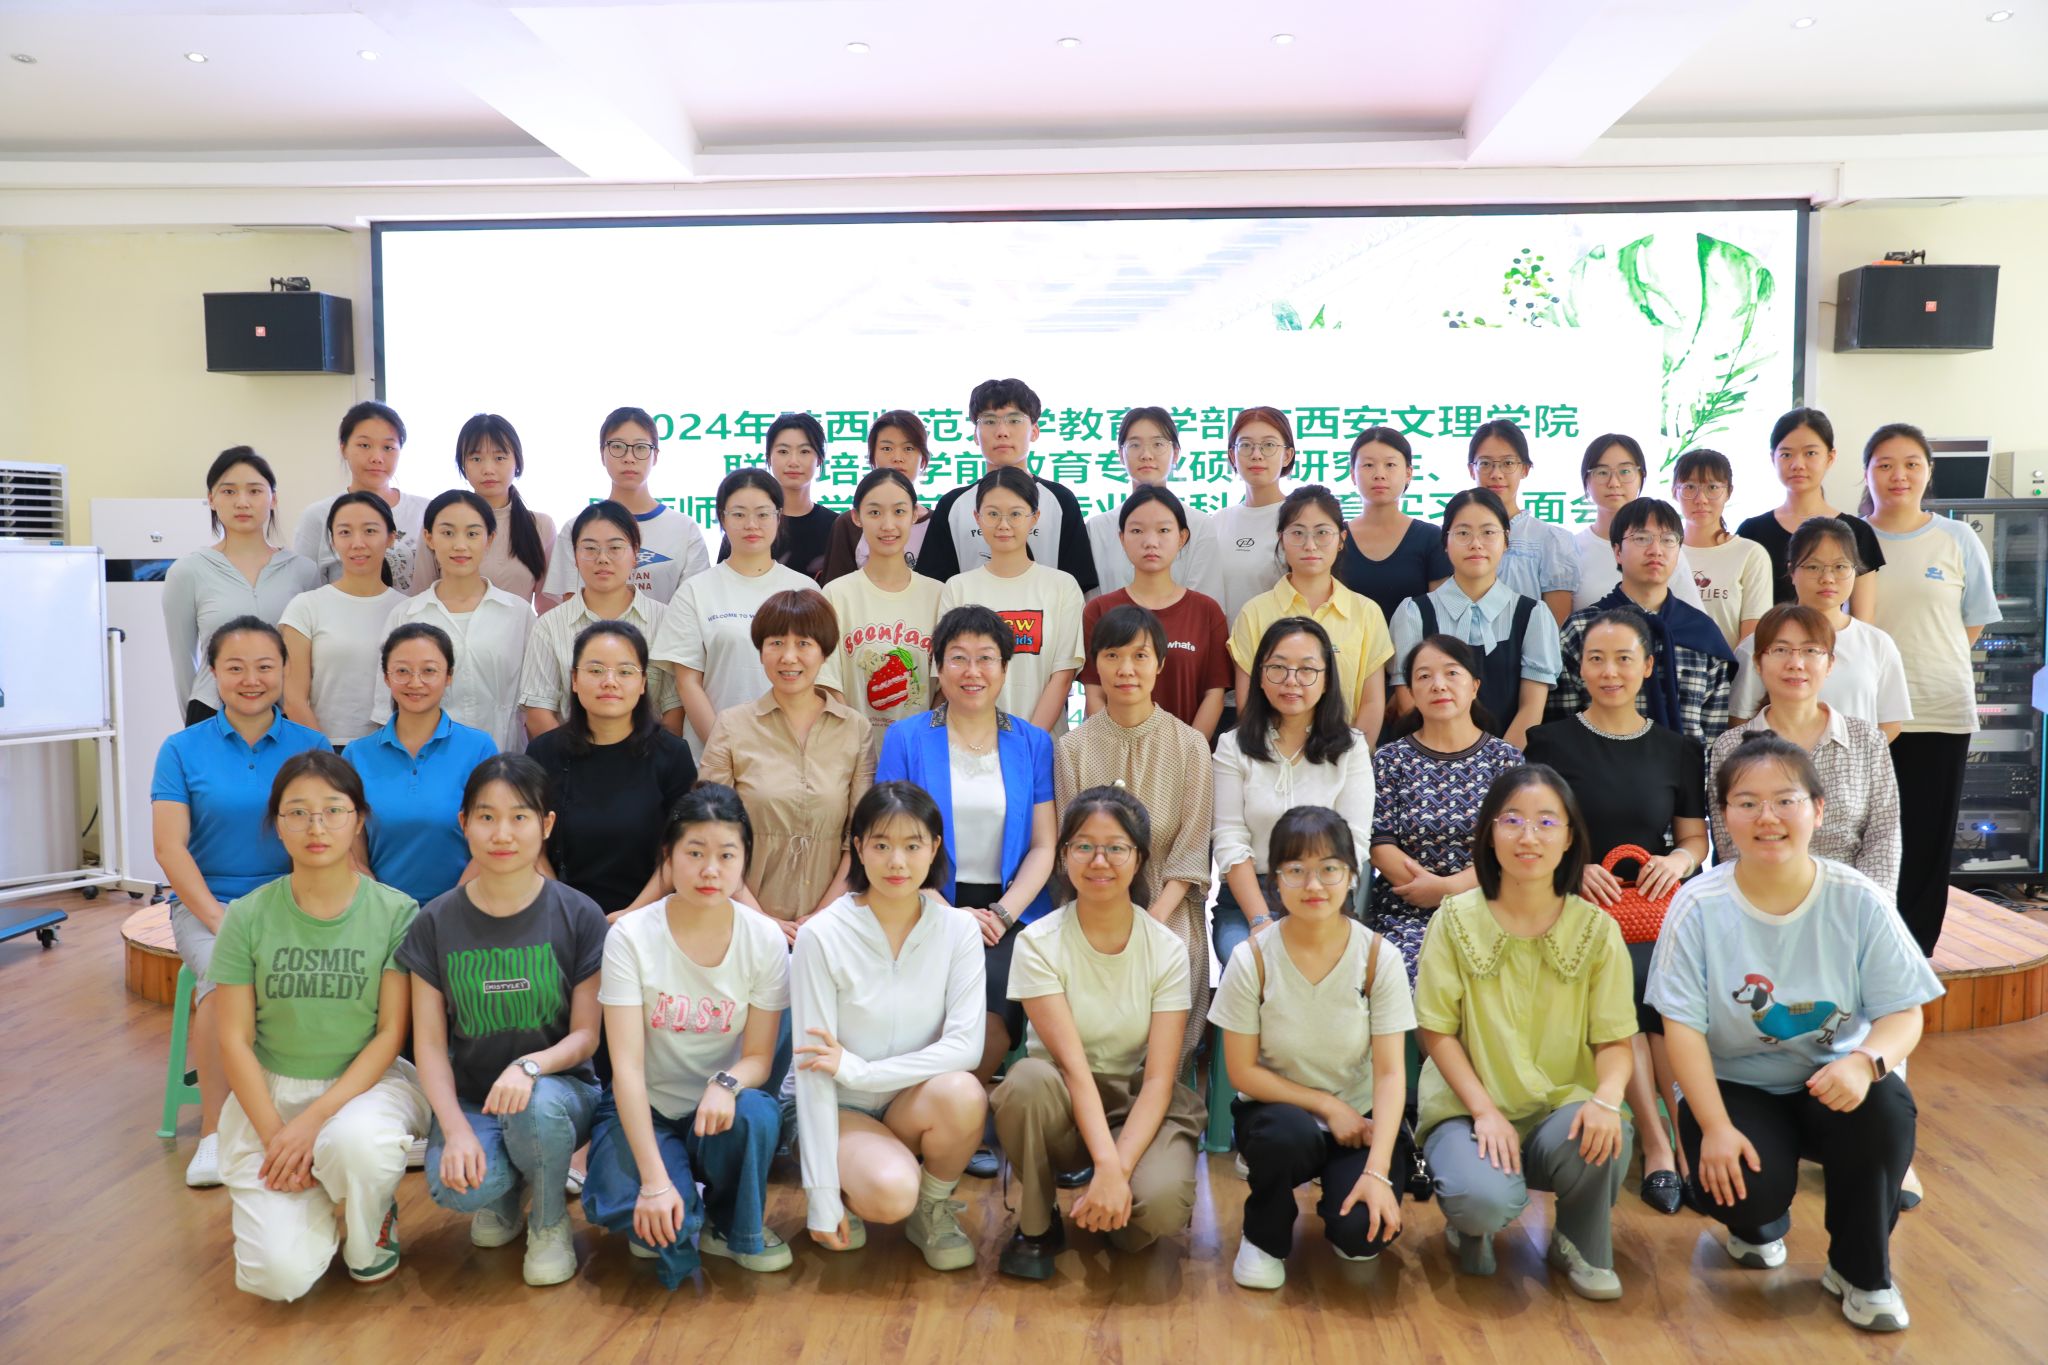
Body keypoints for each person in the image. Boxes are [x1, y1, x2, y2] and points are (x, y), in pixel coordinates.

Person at [1648, 734, 1944, 1334]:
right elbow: (1681, 1030)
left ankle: (1861, 1273)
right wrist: (1715, 1128)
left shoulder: (1858, 899)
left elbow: (1905, 1014)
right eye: (1747, 803)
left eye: (1785, 800)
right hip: (1735, 1086)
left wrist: (1865, 1062)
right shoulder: (1697, 906)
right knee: (1743, 1190)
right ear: (1724, 816)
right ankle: (1756, 1223)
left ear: (1818, 810)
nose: (1767, 818)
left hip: (1832, 1078)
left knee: (1885, 1110)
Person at [208, 751, 429, 1300]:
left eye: (333, 810)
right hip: (270, 1094)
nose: (316, 827)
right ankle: (316, 1198)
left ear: (359, 819)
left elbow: (390, 1032)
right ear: (276, 823)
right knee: (277, 1278)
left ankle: (371, 1222)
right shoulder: (246, 915)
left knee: (355, 1145)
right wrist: (276, 1136)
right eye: (298, 812)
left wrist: (314, 1121)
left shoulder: (398, 911)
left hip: (367, 1087)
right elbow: (233, 1039)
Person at [1414, 766, 1637, 1300]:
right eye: (1511, 820)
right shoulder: (1454, 919)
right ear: (1490, 833)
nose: (1528, 836)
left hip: (1561, 1109)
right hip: (1469, 1110)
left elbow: (1614, 1041)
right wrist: (1484, 1111)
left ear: (1570, 837)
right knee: (1482, 1200)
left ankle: (1578, 1238)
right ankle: (1469, 1225)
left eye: (1546, 822)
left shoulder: (1598, 929)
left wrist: (1607, 1098)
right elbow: (1435, 1032)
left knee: (1607, 1132)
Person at [1525, 609, 1708, 1215]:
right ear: (1579, 669)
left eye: (1624, 659)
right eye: (1596, 659)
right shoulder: (1547, 744)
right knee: (1624, 988)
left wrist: (1677, 862)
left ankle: (1686, 1143)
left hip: (1652, 910)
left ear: (1648, 667)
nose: (1610, 672)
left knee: (1665, 995)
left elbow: (1694, 839)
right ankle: (1659, 1146)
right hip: (1574, 908)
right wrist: (1573, 869)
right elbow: (1534, 831)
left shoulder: (1678, 750)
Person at [398, 754, 607, 1286]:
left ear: (546, 825)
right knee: (460, 1186)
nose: (503, 834)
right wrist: (454, 1129)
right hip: (476, 1099)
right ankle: (508, 1194)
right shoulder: (434, 921)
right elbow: (429, 1045)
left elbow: (586, 1036)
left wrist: (530, 1066)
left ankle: (549, 1221)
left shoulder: (580, 914)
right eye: (486, 817)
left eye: (520, 817)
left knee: (534, 1107)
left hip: (559, 1093)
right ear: (464, 823)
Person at [582, 785, 793, 1287]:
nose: (710, 870)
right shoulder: (630, 936)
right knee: (655, 1220)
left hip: (720, 1111)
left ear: (744, 862)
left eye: (726, 855)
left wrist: (725, 1083)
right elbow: (626, 1068)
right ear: (668, 856)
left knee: (756, 1110)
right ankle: (673, 1204)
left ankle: (727, 1222)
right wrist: (654, 1182)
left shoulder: (764, 937)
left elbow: (759, 1058)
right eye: (694, 853)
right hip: (646, 1107)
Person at [991, 788, 1202, 1280]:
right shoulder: (1038, 942)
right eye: (1083, 846)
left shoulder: (1167, 949)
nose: (1099, 860)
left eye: (1116, 847)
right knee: (1025, 1082)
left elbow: (1159, 1080)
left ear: (1139, 858)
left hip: (1135, 1100)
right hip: (1062, 1098)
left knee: (1156, 1211)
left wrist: (1116, 1170)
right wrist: (1110, 1167)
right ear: (1064, 856)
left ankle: (1110, 1206)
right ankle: (1037, 1224)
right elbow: (1073, 1068)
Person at [151, 618, 331, 1189]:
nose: (251, 679)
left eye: (264, 667)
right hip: (211, 902)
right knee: (222, 980)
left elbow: (327, 835)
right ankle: (214, 1133)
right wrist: (217, 917)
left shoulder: (312, 746)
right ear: (213, 673)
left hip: (295, 898)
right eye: (235, 667)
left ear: (284, 671)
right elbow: (169, 847)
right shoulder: (181, 749)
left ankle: (314, 1113)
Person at [1214, 807, 1414, 1290]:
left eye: (1329, 868)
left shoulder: (1378, 957)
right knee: (1285, 1137)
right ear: (1275, 881)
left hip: (1361, 1121)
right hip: (1278, 1116)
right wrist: (1327, 1106)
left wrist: (1378, 1172)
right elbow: (1242, 1072)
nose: (1313, 885)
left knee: (1362, 1237)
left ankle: (1344, 1201)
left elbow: (1391, 1075)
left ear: (1352, 875)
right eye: (1295, 870)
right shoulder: (1252, 957)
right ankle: (1263, 1236)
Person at [791, 782, 988, 1270]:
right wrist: (821, 1196)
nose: (897, 862)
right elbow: (814, 1068)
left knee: (964, 1093)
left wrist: (863, 1071)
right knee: (890, 1194)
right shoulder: (821, 935)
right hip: (841, 1107)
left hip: (910, 1101)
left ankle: (932, 1208)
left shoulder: (959, 930)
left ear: (934, 848)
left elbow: (966, 1048)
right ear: (858, 848)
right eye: (881, 845)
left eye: (912, 845)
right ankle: (848, 1186)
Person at [874, 605, 1058, 1107]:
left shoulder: (1033, 743)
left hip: (1009, 911)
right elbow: (888, 838)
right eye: (958, 657)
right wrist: (948, 913)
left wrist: (1002, 914)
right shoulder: (907, 737)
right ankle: (918, 1111)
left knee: (993, 1002)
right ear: (938, 666)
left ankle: (953, 1111)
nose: (972, 671)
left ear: (1005, 668)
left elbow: (1044, 845)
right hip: (921, 900)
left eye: (985, 658)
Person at [1055, 605, 1216, 1072]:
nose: (1126, 669)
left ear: (1160, 664)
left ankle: (1160, 1086)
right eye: (1112, 655)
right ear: (1096, 665)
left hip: (1168, 905)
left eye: (1140, 656)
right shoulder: (1072, 748)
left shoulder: (1190, 745)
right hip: (1090, 903)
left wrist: (1150, 920)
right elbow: (1071, 851)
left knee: (1171, 956)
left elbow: (1190, 851)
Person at [1864, 422, 2002, 956]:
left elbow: (1973, 621)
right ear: (1867, 473)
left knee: (1927, 835)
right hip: (1867, 714)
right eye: (1884, 464)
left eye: (1911, 464)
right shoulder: (1852, 536)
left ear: (1929, 472)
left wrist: (1930, 660)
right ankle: (1866, 945)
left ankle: (1915, 952)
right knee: (1867, 834)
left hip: (1939, 710)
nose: (1898, 475)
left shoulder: (1957, 538)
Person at [698, 589, 876, 941]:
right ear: (761, 650)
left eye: (804, 643)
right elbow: (709, 831)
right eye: (776, 643)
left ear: (824, 652)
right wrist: (760, 920)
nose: (788, 657)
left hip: (832, 926)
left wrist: (822, 917)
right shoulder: (732, 725)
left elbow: (860, 838)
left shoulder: (855, 728)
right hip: (741, 922)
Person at [1212, 617, 1375, 968]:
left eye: (1307, 669)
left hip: (1325, 898)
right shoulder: (1232, 746)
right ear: (1260, 676)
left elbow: (1355, 841)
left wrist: (1312, 905)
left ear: (1326, 679)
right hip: (1248, 902)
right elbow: (1229, 838)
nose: (1291, 680)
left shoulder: (1351, 747)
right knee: (1250, 967)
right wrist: (1260, 921)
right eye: (1278, 667)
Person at [1709, 606, 1901, 898]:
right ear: (1758, 662)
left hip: (1851, 903)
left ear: (1830, 663)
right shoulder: (1731, 747)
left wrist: (1867, 910)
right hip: (1762, 904)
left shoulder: (1867, 740)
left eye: (1811, 650)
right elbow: (1729, 846)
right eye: (1780, 650)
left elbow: (1884, 839)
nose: (1796, 663)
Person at [1369, 636, 1523, 980]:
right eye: (1424, 676)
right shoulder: (1391, 759)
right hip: (1407, 911)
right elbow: (1380, 845)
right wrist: (1424, 890)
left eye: (1452, 673)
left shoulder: (1505, 760)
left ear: (1474, 686)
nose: (1438, 685)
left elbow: (1513, 850)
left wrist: (1447, 891)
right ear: (1411, 691)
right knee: (1412, 975)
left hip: (1490, 906)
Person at [526, 621, 698, 916]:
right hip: (561, 914)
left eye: (625, 671)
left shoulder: (672, 755)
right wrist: (566, 908)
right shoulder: (543, 753)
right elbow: (530, 843)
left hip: (647, 918)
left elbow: (681, 848)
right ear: (575, 680)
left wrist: (632, 915)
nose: (609, 681)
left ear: (643, 683)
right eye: (595, 670)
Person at [651, 468, 817, 758]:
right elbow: (688, 683)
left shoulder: (806, 590)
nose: (751, 524)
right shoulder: (695, 591)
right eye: (739, 514)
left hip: (792, 757)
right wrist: (726, 752)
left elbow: (819, 679)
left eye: (763, 514)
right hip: (713, 758)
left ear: (779, 517)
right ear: (722, 518)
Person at [1548, 498, 1737, 747]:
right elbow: (1562, 726)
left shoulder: (1703, 633)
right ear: (1617, 551)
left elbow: (1713, 737)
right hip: (1595, 767)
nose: (1656, 550)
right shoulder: (1583, 629)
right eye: (1641, 538)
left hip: (1687, 771)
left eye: (1668, 540)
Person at [1387, 488, 1561, 749]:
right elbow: (1408, 703)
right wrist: (1449, 763)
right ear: (1445, 542)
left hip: (1511, 763)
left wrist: (1496, 764)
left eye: (1488, 532)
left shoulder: (1533, 615)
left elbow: (1531, 709)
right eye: (1463, 533)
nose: (1476, 544)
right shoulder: (1413, 612)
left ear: (1506, 540)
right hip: (1430, 762)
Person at [343, 623, 499, 908]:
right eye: (402, 671)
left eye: (429, 671)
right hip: (379, 911)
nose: (415, 682)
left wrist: (449, 909)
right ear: (387, 677)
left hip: (464, 909)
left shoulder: (479, 749)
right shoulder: (357, 754)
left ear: (449, 676)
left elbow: (493, 838)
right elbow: (350, 845)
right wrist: (383, 907)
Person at [165, 447, 321, 725]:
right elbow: (183, 663)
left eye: (254, 491)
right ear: (211, 500)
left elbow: (311, 662)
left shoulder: (303, 571)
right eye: (228, 491)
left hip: (284, 717)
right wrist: (195, 730)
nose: (242, 502)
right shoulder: (188, 571)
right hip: (212, 713)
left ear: (273, 499)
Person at [372, 490, 535, 753]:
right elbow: (386, 705)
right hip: (426, 761)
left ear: (490, 539)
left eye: (472, 534)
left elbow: (534, 701)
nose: (460, 545)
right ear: (429, 537)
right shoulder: (407, 615)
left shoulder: (519, 613)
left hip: (502, 759)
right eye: (448, 533)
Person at [1228, 484, 1393, 739]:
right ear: (1281, 539)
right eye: (1297, 533)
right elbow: (1248, 703)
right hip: (1270, 756)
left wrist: (1353, 757)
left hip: (1343, 756)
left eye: (1322, 533)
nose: (1310, 545)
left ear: (1341, 539)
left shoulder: (1366, 613)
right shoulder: (1254, 613)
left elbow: (1371, 703)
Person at [933, 467, 1087, 735]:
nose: (1003, 525)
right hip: (972, 742)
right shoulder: (958, 588)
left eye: (1015, 514)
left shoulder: (1062, 587)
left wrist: (1028, 742)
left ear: (1034, 517)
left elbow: (1062, 677)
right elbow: (950, 674)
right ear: (977, 517)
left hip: (1042, 744)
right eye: (993, 514)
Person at [1729, 517, 1910, 738]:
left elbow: (1890, 723)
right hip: (1777, 760)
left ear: (1855, 571)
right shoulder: (1759, 643)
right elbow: (1739, 723)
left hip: (1854, 761)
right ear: (1792, 572)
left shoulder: (1877, 643)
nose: (1827, 578)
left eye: (1840, 567)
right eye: (1813, 567)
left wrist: (1853, 756)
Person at [914, 377, 1098, 592]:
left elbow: (1077, 586)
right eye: (989, 421)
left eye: (1014, 420)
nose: (1002, 431)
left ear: (1035, 431)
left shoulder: (1061, 500)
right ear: (975, 435)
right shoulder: (952, 505)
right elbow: (935, 587)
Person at [521, 500, 684, 739]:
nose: (602, 559)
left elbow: (675, 707)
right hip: (571, 758)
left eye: (615, 548)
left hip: (649, 758)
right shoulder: (549, 626)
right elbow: (538, 712)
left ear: (636, 554)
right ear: (575, 556)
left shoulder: (666, 620)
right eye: (590, 548)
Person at [1079, 485, 1232, 739]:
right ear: (1122, 538)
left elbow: (1214, 694)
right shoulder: (1099, 610)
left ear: (1182, 537)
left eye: (1163, 530)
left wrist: (1187, 752)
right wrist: (1115, 749)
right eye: (1137, 531)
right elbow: (1094, 692)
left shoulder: (1206, 611)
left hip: (1188, 755)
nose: (1150, 542)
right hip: (1114, 753)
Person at [538, 406, 711, 608]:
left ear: (655, 456)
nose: (629, 458)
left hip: (666, 630)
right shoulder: (575, 529)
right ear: (602, 454)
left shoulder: (684, 529)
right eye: (618, 446)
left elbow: (692, 608)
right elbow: (570, 611)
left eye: (640, 448)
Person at [819, 468, 945, 737]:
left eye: (899, 511)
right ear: (856, 517)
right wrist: (858, 743)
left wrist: (919, 741)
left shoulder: (939, 595)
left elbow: (946, 686)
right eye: (875, 512)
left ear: (914, 515)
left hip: (918, 750)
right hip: (852, 749)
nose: (888, 525)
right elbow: (827, 682)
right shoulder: (836, 595)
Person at [280, 491, 402, 744]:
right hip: (325, 748)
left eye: (370, 531)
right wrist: (326, 757)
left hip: (391, 749)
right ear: (332, 541)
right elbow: (294, 700)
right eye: (345, 532)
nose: (357, 543)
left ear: (391, 538)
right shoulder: (306, 607)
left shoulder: (407, 610)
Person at [1735, 407, 1885, 610]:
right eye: (1786, 454)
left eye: (1810, 453)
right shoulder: (1751, 532)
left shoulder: (1858, 532)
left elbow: (1862, 620)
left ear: (1830, 457)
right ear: (1773, 458)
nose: (1798, 464)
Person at [1084, 407, 1222, 602]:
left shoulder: (1199, 524)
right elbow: (1092, 604)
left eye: (1158, 444)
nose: (1146, 455)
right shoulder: (1097, 528)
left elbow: (1205, 604)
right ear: (1121, 455)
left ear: (1175, 453)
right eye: (1134, 445)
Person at [412, 413, 554, 603]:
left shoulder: (540, 526)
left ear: (517, 462)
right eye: (476, 459)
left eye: (499, 457)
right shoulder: (441, 522)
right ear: (463, 465)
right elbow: (420, 599)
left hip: (521, 623)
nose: (488, 469)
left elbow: (549, 606)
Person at [291, 401, 428, 593]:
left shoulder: (425, 511)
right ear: (343, 448)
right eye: (364, 445)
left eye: (388, 447)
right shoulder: (318, 516)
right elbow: (303, 590)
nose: (377, 458)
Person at [1570, 434, 1703, 612]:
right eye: (1602, 472)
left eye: (1625, 471)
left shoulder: (1664, 549)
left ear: (1642, 476)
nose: (1614, 483)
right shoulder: (1571, 549)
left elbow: (1692, 619)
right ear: (1586, 480)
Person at [1334, 426, 1452, 622]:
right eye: (1368, 465)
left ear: (1408, 473)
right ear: (1353, 474)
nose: (1379, 474)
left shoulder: (1431, 538)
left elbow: (1439, 616)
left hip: (1417, 642)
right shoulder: (1335, 537)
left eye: (1390, 465)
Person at [1468, 418, 1577, 624]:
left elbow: (1555, 627)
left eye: (1508, 463)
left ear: (1525, 469)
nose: (1496, 474)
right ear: (1472, 470)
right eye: (1485, 464)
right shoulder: (1451, 537)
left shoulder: (1550, 540)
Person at [719, 412, 837, 582]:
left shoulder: (836, 526)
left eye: (804, 451)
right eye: (783, 451)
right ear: (769, 457)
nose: (793, 461)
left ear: (819, 459)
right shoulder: (749, 525)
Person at [1673, 447, 1772, 649]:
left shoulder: (1750, 554)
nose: (1701, 499)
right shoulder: (1662, 553)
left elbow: (1752, 639)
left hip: (1731, 668)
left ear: (1728, 492)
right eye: (1690, 487)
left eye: (1712, 487)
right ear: (1675, 492)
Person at [820, 411, 936, 582]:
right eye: (887, 448)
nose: (897, 458)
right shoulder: (848, 524)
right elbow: (836, 588)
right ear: (872, 458)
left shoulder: (937, 523)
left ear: (923, 461)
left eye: (909, 448)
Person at [1210, 407, 1296, 628]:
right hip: (1220, 644)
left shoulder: (1299, 520)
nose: (1256, 454)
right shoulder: (1217, 522)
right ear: (1232, 455)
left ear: (1287, 455)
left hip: (1278, 645)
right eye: (1246, 445)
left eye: (1268, 445)